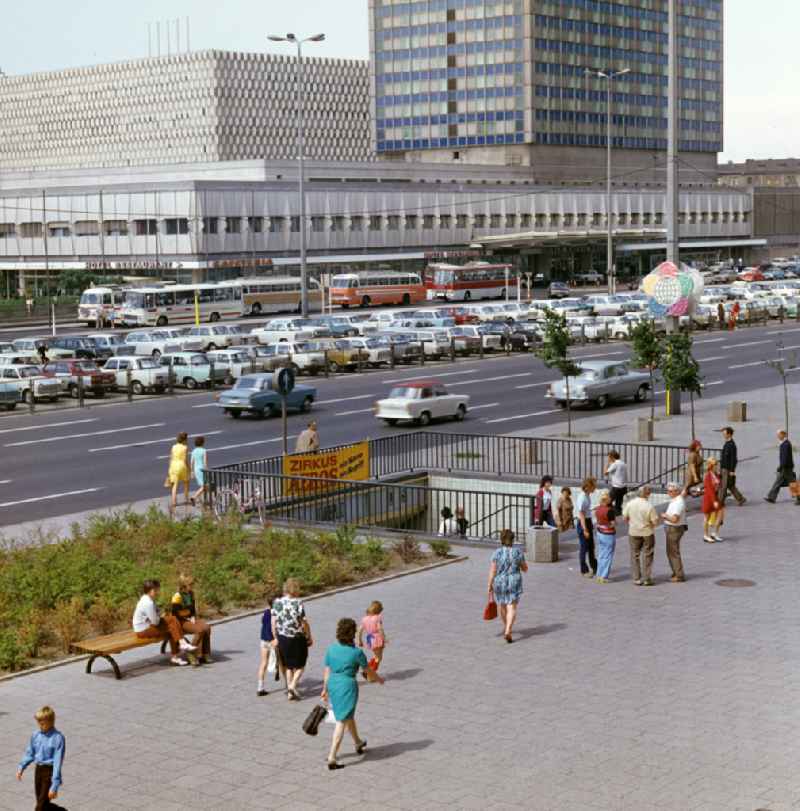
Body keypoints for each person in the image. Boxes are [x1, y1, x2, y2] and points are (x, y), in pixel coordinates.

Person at [321, 617, 385, 770]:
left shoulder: (331, 649)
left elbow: (327, 670)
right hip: (347, 687)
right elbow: (368, 671)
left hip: (333, 684)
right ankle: (332, 757)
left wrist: (325, 689)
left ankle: (358, 742)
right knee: (341, 721)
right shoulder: (356, 653)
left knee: (347, 715)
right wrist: (378, 679)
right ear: (352, 633)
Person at [132, 579, 195, 666]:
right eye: (157, 589)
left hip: (147, 626)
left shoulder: (148, 598)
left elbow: (156, 612)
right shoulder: (147, 602)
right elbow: (156, 622)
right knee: (172, 621)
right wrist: (161, 617)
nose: (158, 592)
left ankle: (175, 656)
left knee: (172, 628)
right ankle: (182, 643)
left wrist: (161, 615)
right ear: (152, 590)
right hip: (143, 630)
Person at [16, 706, 66, 811]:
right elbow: (30, 753)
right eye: (38, 722)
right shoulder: (36, 735)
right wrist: (21, 767)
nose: (39, 725)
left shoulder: (58, 738)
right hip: (38, 770)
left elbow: (57, 762)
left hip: (50, 771)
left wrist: (54, 785)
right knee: (42, 802)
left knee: (40, 807)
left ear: (51, 721)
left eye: (42, 723)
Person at [271, 578, 313, 701]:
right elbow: (303, 622)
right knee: (301, 664)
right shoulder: (298, 603)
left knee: (288, 666)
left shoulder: (277, 602)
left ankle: (290, 692)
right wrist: (309, 635)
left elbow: (273, 621)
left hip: (283, 637)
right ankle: (292, 686)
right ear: (295, 589)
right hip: (297, 638)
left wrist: (275, 637)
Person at [487, 529, 528, 643]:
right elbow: (525, 568)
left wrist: (489, 584)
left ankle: (507, 627)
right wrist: (520, 566)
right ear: (512, 540)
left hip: (500, 582)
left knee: (502, 605)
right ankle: (508, 629)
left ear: (501, 540)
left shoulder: (497, 553)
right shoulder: (518, 552)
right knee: (512, 606)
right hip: (514, 581)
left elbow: (492, 571)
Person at [170, 574, 212, 666]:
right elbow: (175, 614)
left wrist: (192, 617)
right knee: (199, 630)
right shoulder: (177, 596)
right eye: (191, 585)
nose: (192, 587)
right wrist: (187, 617)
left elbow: (192, 609)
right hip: (180, 621)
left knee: (207, 627)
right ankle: (191, 653)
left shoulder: (191, 593)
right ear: (184, 586)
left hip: (190, 618)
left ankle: (205, 653)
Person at [622, 485, 659, 586]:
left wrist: (632, 522)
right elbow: (655, 522)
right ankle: (647, 578)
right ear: (647, 494)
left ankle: (637, 578)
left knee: (635, 554)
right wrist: (650, 524)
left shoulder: (630, 504)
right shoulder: (649, 506)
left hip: (633, 531)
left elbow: (624, 518)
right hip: (647, 532)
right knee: (648, 554)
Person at [764, 430, 800, 504]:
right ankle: (771, 497)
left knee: (791, 483)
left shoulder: (785, 444)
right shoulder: (785, 443)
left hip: (786, 467)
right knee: (779, 482)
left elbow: (785, 457)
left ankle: (799, 498)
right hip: (786, 467)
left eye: (779, 435)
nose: (778, 436)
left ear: (783, 435)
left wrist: (780, 467)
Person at [662, 482, 688, 582]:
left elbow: (674, 519)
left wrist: (665, 516)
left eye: (671, 491)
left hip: (674, 529)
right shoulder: (676, 499)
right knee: (671, 552)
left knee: (673, 552)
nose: (669, 493)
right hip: (672, 529)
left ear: (677, 491)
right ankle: (676, 572)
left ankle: (679, 575)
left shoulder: (678, 502)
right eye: (668, 491)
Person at [257, 594, 281, 697]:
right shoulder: (277, 614)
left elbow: (262, 622)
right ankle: (289, 685)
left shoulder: (266, 612)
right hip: (273, 641)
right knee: (282, 664)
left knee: (263, 663)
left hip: (263, 640)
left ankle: (260, 687)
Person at [575, 477, 598, 578]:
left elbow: (586, 511)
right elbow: (581, 515)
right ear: (588, 487)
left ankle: (594, 566)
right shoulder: (582, 498)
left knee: (591, 546)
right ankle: (584, 570)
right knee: (584, 547)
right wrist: (585, 529)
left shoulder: (587, 495)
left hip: (588, 521)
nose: (595, 488)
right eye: (594, 486)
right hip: (583, 523)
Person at [593, 491, 617, 583]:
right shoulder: (609, 511)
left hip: (599, 532)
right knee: (608, 555)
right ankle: (604, 576)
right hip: (608, 534)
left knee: (601, 554)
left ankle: (599, 574)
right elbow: (613, 524)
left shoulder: (598, 509)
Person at [719, 426, 746, 506]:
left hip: (727, 469)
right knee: (730, 485)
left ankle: (720, 502)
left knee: (724, 486)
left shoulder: (732, 445)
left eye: (725, 433)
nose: (723, 435)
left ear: (729, 434)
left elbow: (733, 459)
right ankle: (741, 498)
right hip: (724, 468)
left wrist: (732, 470)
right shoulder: (727, 443)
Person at [164, 432, 191, 512]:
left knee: (174, 485)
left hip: (173, 466)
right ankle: (186, 499)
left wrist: (169, 468)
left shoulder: (173, 447)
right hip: (181, 466)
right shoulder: (185, 447)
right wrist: (189, 468)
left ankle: (174, 501)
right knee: (186, 483)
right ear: (184, 440)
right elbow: (185, 460)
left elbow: (170, 458)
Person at [358, 600, 387, 672]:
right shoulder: (377, 618)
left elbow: (360, 631)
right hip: (377, 638)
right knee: (379, 657)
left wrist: (360, 640)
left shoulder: (364, 619)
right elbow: (380, 629)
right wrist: (384, 638)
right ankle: (370, 671)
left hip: (370, 639)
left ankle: (369, 669)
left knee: (375, 655)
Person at [702, 459, 723, 543]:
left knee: (720, 514)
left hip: (715, 497)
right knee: (707, 517)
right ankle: (705, 535)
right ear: (711, 466)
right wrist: (714, 501)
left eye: (717, 465)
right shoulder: (708, 476)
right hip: (709, 498)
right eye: (715, 465)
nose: (717, 466)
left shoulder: (716, 474)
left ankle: (715, 533)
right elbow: (710, 489)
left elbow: (718, 485)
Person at [189, 436, 207, 507]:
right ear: (202, 443)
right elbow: (205, 462)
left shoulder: (193, 451)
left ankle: (200, 500)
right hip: (202, 469)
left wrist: (192, 472)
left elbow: (191, 462)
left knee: (202, 485)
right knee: (204, 486)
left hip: (196, 469)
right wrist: (206, 470)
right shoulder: (204, 451)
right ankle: (194, 497)